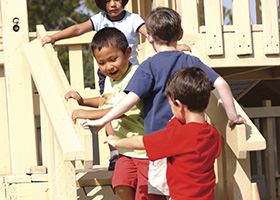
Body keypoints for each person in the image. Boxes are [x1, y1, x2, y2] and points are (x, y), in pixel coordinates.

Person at [82, 7, 245, 198]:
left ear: (149, 37)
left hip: (160, 141)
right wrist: (232, 115)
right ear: (180, 34)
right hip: (189, 144)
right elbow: (221, 83)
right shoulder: (190, 61)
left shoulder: (149, 66)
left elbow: (130, 100)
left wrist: (103, 121)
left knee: (158, 193)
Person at [65, 27, 164, 200]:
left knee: (147, 193)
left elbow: (119, 109)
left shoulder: (137, 76)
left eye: (113, 59)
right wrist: (83, 101)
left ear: (127, 52)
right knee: (121, 184)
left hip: (144, 151)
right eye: (102, 63)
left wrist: (87, 114)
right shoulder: (112, 79)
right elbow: (106, 100)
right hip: (125, 149)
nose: (108, 67)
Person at [105, 67, 222, 200]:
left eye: (171, 106)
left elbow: (141, 142)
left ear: (178, 104)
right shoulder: (213, 134)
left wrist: (117, 142)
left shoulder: (179, 136)